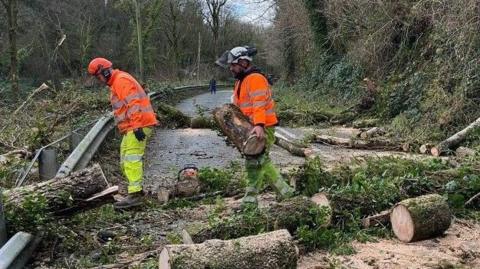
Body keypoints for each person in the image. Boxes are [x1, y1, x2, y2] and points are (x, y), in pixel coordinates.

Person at [215, 46, 295, 207]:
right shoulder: (241, 80)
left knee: (260, 160)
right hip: (249, 127)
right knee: (254, 162)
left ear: (244, 62)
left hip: (262, 126)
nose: (231, 68)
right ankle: (253, 198)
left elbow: (259, 105)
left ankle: (283, 193)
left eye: (233, 65)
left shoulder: (255, 78)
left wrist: (259, 125)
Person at [87, 57, 158, 209]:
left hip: (138, 125)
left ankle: (135, 195)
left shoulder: (121, 80)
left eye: (98, 76)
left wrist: (137, 127)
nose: (98, 80)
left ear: (105, 71)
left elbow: (133, 104)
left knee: (132, 159)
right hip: (132, 127)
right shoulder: (117, 82)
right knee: (125, 159)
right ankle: (135, 191)